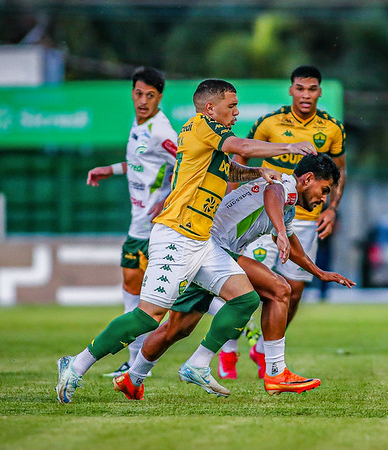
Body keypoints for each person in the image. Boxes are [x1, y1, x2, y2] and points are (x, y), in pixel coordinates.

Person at [55, 79, 317, 404]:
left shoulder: (211, 140)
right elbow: (244, 148)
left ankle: (197, 364)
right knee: (148, 318)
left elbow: (231, 170)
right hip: (175, 236)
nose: (236, 112)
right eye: (231, 106)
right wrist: (289, 148)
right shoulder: (202, 126)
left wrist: (258, 173)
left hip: (201, 241)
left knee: (245, 299)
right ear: (211, 108)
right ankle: (77, 364)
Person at [113, 154, 354, 399]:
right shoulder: (284, 187)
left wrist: (319, 272)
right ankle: (275, 372)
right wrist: (279, 231)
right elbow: (273, 193)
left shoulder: (288, 205)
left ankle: (133, 378)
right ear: (308, 179)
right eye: (324, 190)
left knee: (177, 329)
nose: (323, 199)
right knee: (279, 290)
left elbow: (292, 244)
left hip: (205, 250)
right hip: (212, 248)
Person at [231, 65, 347, 377]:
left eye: (312, 89)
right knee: (251, 285)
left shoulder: (332, 128)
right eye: (300, 88)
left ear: (320, 91)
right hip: (266, 221)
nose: (306, 94)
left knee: (292, 291)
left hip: (304, 220)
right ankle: (226, 351)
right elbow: (240, 156)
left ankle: (264, 350)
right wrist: (230, 194)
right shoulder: (269, 122)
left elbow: (340, 171)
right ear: (291, 90)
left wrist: (331, 208)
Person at [85, 67, 178, 378]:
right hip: (137, 224)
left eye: (150, 96)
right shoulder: (138, 125)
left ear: (159, 98)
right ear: (132, 93)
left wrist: (167, 200)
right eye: (138, 94)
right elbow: (140, 163)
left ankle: (138, 362)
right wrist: (107, 170)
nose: (143, 100)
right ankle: (135, 361)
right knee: (131, 286)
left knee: (147, 296)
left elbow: (187, 165)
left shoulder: (162, 131)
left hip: (155, 228)